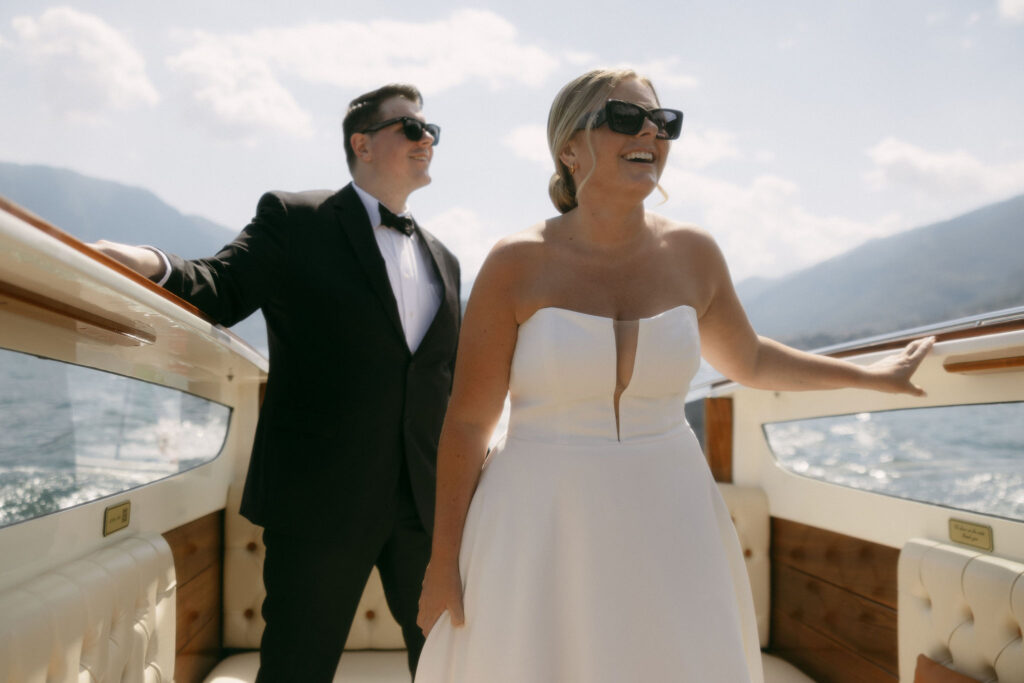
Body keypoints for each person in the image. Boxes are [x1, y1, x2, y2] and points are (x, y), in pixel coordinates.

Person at [413, 68, 933, 682]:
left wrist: (869, 377)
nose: (651, 134)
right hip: (539, 517)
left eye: (664, 123)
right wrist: (443, 559)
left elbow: (751, 359)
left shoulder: (694, 254)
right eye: (625, 119)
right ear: (569, 148)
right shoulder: (515, 262)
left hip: (670, 510)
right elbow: (470, 420)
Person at [92, 83, 461, 682]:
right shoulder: (296, 220)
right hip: (320, 500)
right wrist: (152, 264)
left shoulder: (445, 258)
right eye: (411, 128)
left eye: (431, 131)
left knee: (450, 663)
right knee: (296, 668)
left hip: (422, 504)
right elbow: (222, 283)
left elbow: (444, 375)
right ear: (361, 144)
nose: (428, 140)